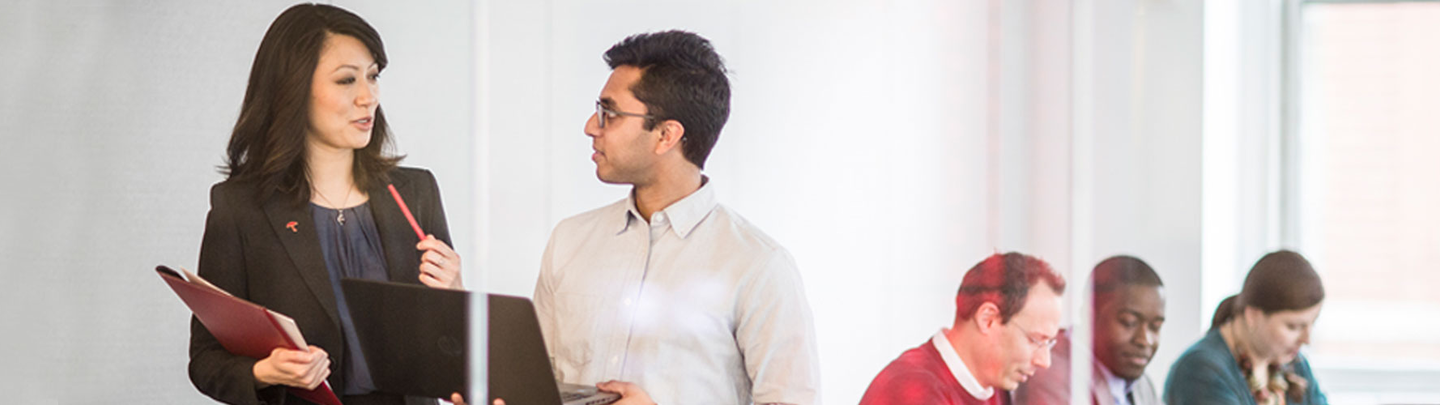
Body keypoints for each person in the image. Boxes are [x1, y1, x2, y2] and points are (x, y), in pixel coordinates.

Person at [188, 4, 463, 405]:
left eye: (373, 77)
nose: (368, 97)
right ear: (292, 89)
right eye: (346, 80)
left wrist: (456, 296)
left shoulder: (415, 192)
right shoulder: (241, 208)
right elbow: (205, 360)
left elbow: (454, 352)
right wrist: (264, 372)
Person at [531, 30, 821, 405]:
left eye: (609, 113)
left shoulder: (759, 267)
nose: (591, 126)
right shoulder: (569, 241)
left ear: (666, 135)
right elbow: (536, 384)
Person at [858, 252, 1066, 405]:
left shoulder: (993, 387)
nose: (1044, 361)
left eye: (1049, 343)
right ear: (988, 319)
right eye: (1035, 340)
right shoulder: (912, 392)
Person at [1164, 250, 1328, 405]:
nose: (1306, 340)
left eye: (1312, 323)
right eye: (1293, 327)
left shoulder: (1295, 364)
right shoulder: (1200, 371)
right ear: (1253, 316)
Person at [1013, 256, 1166, 405]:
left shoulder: (1141, 386)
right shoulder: (1050, 375)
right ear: (1089, 315)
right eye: (1129, 322)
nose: (1144, 340)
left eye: (1155, 327)